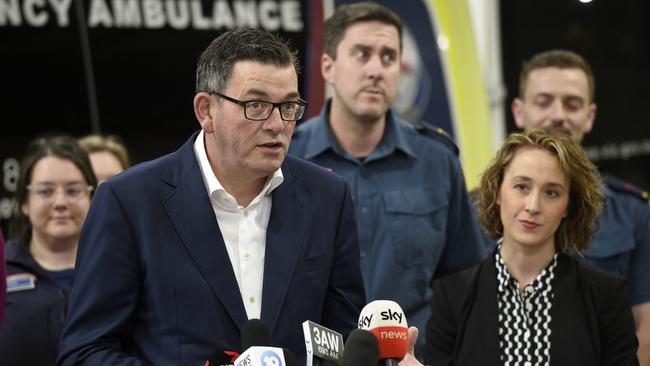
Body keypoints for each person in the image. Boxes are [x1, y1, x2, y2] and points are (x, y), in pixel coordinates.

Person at [57, 28, 365, 366]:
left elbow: (344, 339)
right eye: (256, 105)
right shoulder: (129, 202)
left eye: (289, 106)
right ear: (206, 111)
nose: (278, 124)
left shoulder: (327, 198)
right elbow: (84, 353)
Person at [288, 2, 484, 355]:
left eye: (389, 57)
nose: (376, 70)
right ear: (328, 67)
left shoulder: (437, 162)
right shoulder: (289, 160)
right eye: (362, 54)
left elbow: (464, 284)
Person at [424, 129, 638, 365]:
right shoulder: (451, 296)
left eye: (551, 192)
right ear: (497, 192)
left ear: (568, 205)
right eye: (522, 187)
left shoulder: (606, 297)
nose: (533, 206)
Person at [509, 49, 650, 365]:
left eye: (572, 104)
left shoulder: (634, 213)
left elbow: (645, 329)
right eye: (544, 101)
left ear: (590, 115)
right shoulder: (482, 208)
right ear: (519, 111)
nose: (558, 114)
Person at [0, 135, 97, 366]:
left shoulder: (119, 267)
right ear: (24, 201)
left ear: (92, 196)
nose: (60, 202)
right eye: (45, 192)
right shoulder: (3, 267)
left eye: (74, 191)